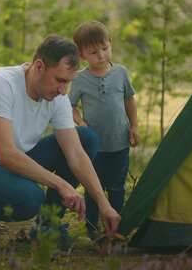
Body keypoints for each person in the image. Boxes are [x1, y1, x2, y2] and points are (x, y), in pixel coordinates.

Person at [0, 35, 121, 243]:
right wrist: (61, 184)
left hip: (14, 161)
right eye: (60, 80)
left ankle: (47, 228)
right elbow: (6, 154)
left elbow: (75, 153)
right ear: (39, 66)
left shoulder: (58, 96)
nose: (63, 90)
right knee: (31, 199)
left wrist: (103, 204)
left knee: (86, 139)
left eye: (68, 83)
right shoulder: (0, 83)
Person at [69, 21, 139, 239]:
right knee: (94, 186)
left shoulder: (121, 72)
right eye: (93, 52)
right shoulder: (79, 79)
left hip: (119, 141)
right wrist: (81, 124)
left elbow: (129, 99)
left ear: (110, 44)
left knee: (117, 186)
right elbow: (69, 106)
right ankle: (92, 228)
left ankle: (116, 227)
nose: (100, 55)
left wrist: (134, 126)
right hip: (95, 147)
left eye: (105, 48)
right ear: (82, 55)